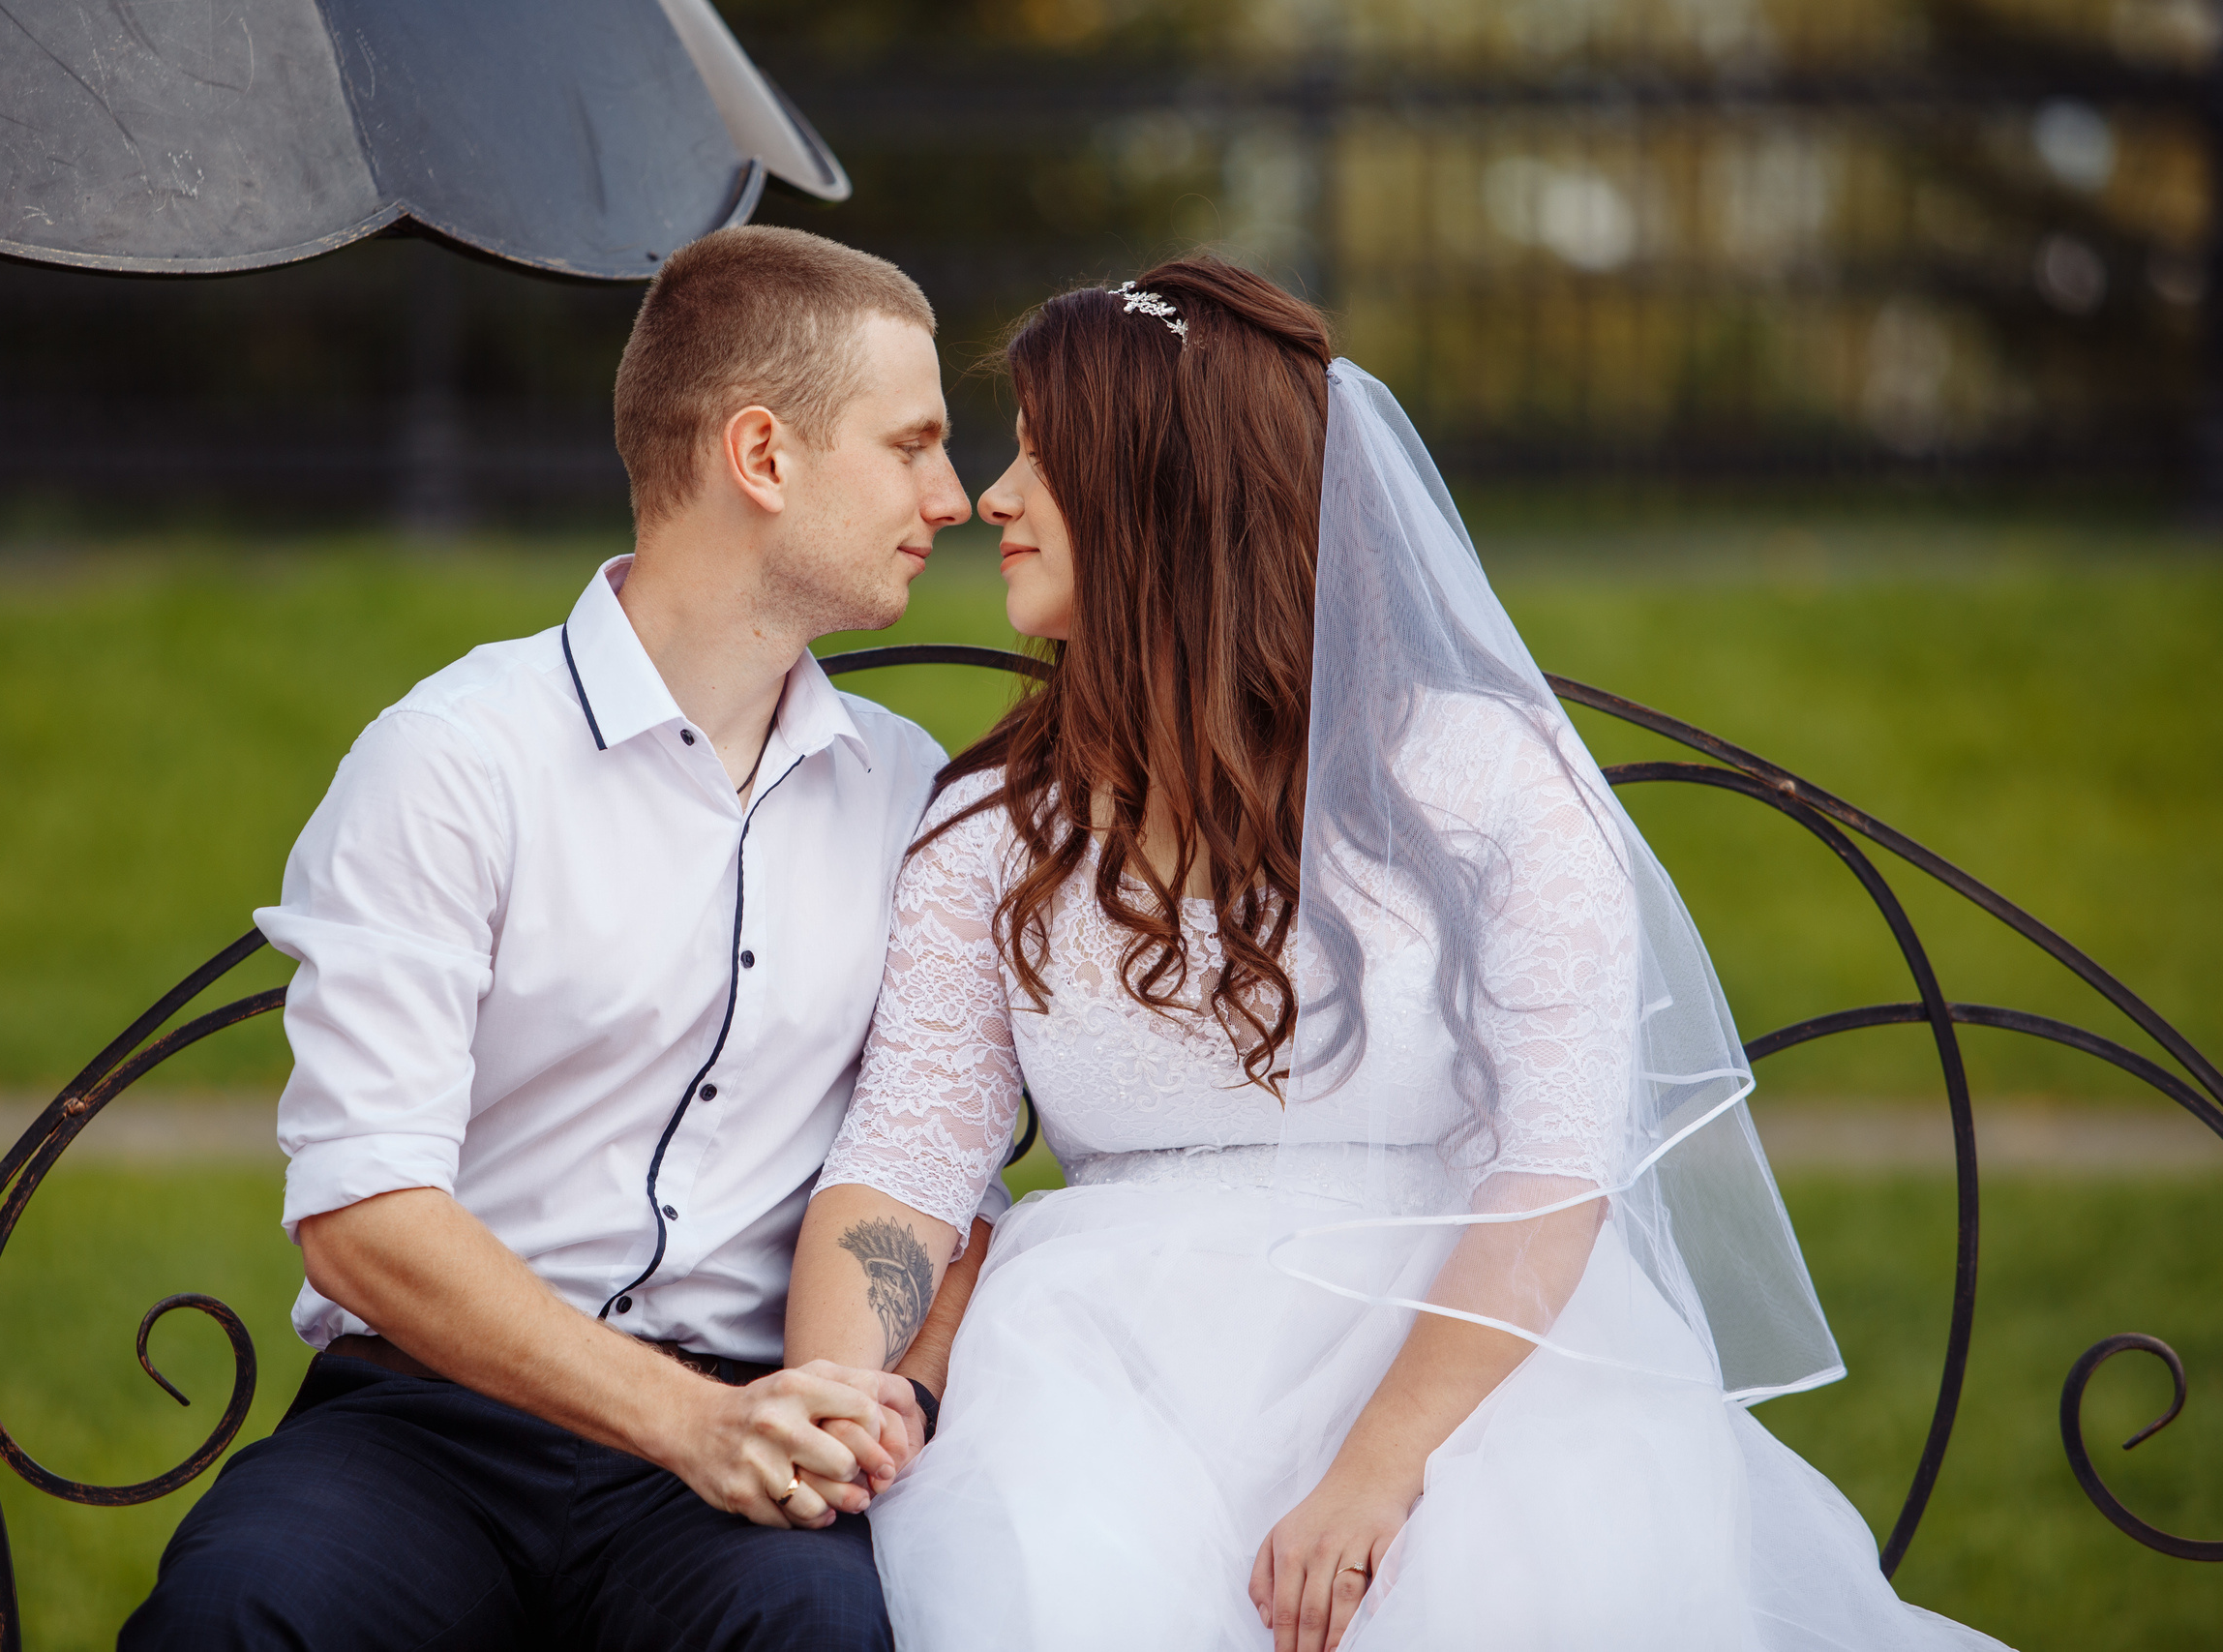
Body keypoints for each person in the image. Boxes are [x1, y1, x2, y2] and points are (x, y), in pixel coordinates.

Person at [782, 260, 2012, 1652]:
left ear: (1166, 497)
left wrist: (1374, 1479)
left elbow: (1555, 1170)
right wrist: (829, 1391)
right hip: (1102, 1376)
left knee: (1507, 1585)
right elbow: (903, 1162)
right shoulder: (997, 829)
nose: (991, 497)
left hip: (1468, 1374)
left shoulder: (1486, 777)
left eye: (1046, 461)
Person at [122, 225, 995, 1651]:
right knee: (239, 1616)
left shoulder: (910, 797)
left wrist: (887, 1399)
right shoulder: (457, 760)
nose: (950, 496)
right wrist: (685, 1422)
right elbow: (362, 1215)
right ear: (763, 458)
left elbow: (940, 1174)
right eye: (910, 446)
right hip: (436, 1423)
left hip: (752, 1438)